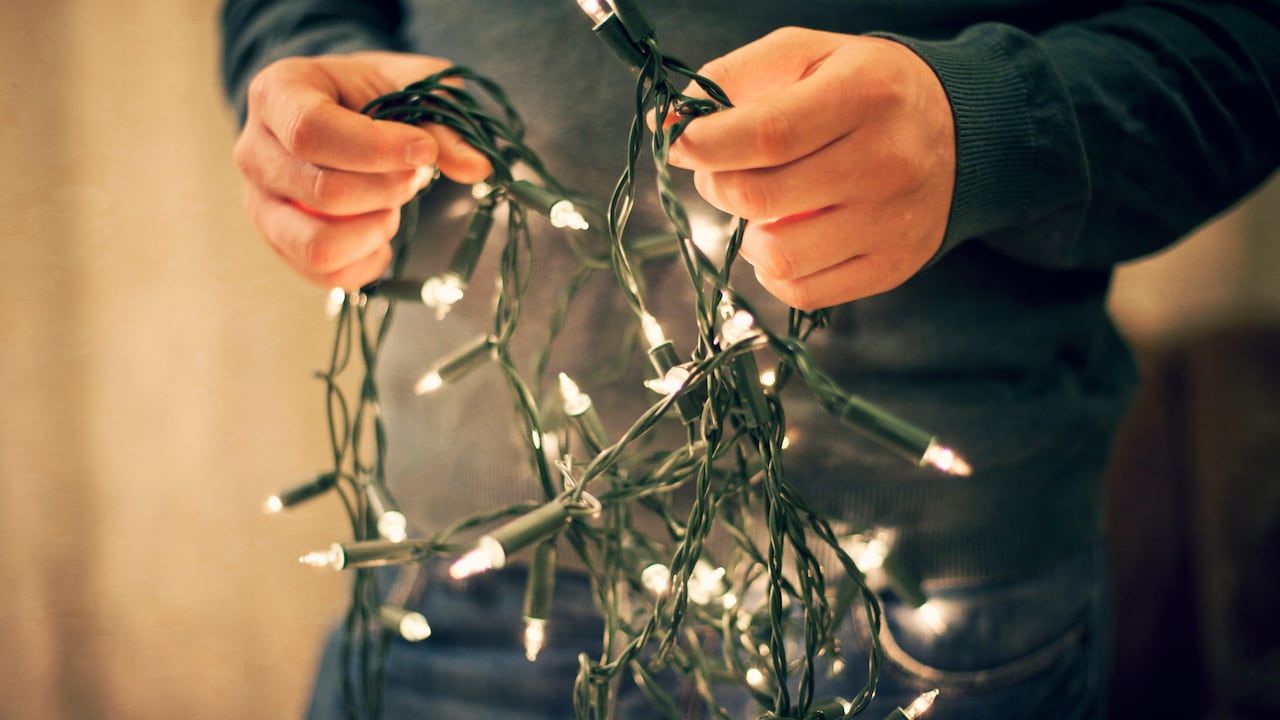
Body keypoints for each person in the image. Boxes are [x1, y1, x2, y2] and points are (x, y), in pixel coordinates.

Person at [220, 2, 1280, 718]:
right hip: (449, 587)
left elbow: (1242, 39)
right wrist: (298, 68)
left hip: (918, 625)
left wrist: (989, 124)